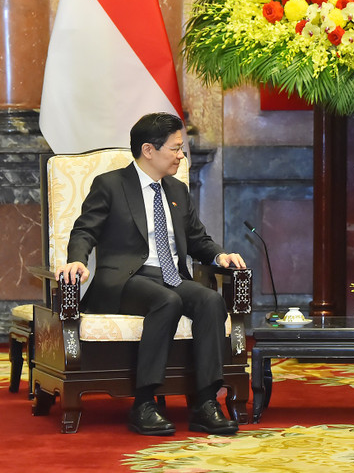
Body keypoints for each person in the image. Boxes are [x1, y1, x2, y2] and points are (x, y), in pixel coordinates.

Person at [55, 112, 247, 436]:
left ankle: (205, 403)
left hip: (173, 276)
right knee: (166, 302)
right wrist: (76, 260)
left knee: (210, 301)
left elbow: (197, 239)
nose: (181, 155)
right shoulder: (111, 185)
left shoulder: (177, 190)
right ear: (148, 150)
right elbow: (84, 230)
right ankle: (144, 403)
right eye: (175, 148)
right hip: (127, 279)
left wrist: (219, 255)